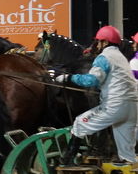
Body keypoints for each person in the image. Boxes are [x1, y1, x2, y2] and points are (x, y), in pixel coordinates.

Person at [56, 25, 138, 164]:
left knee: (80, 124)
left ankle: (66, 161)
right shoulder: (121, 57)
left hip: (115, 106)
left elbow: (91, 80)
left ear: (105, 42)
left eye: (99, 41)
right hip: (132, 108)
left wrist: (68, 78)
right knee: (127, 155)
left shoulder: (104, 57)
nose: (97, 44)